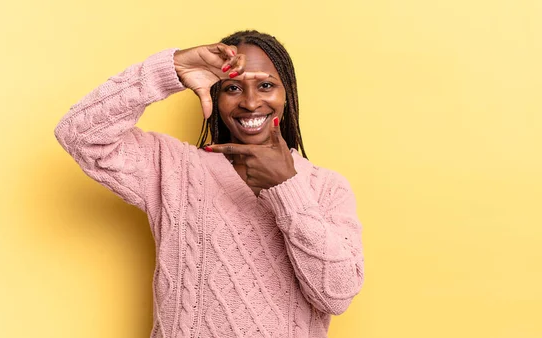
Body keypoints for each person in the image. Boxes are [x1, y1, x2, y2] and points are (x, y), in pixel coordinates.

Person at [55, 30, 364, 338]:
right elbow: (78, 134)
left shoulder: (327, 187)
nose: (251, 102)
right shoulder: (173, 167)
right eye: (233, 88)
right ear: (216, 96)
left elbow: (336, 295)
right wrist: (171, 69)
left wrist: (287, 188)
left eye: (266, 85)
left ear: (287, 94)